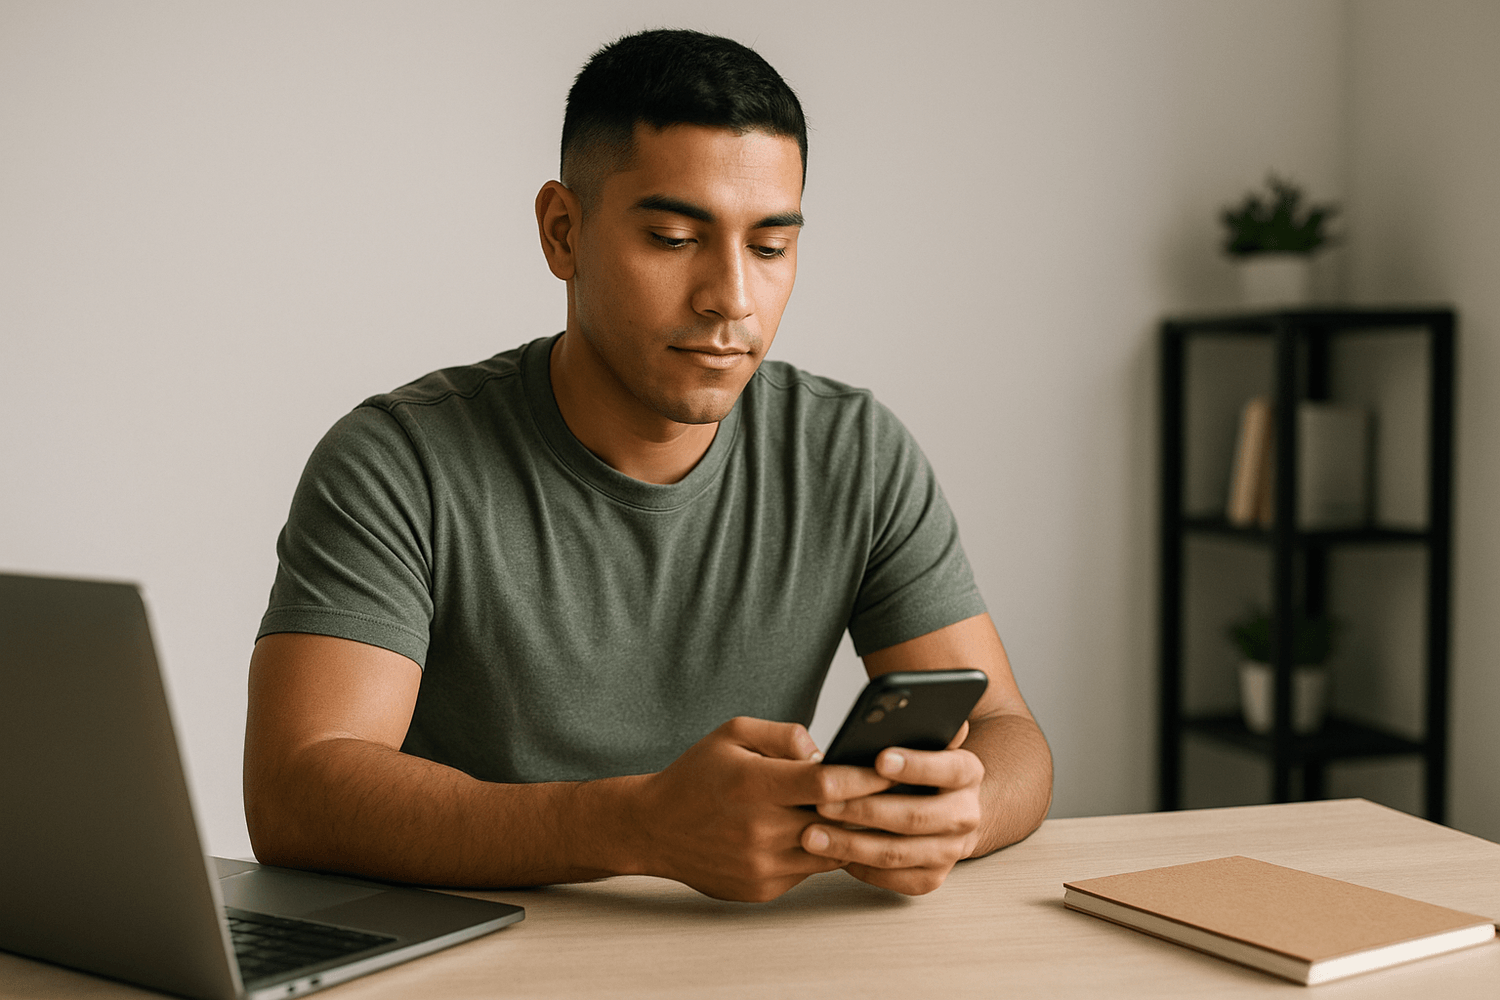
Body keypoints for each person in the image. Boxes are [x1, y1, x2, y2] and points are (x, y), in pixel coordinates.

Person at [244, 28, 1051, 904]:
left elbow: (1009, 734)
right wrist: (638, 827)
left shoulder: (851, 451)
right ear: (563, 232)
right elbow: (297, 793)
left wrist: (953, 815)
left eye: (771, 247)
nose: (732, 298)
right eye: (673, 238)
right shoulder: (398, 462)